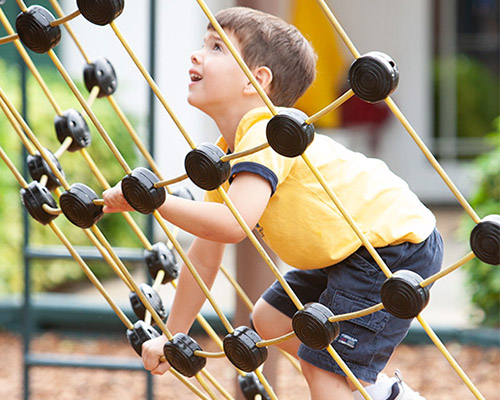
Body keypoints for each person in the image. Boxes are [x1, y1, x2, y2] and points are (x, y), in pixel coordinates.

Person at [103, 7, 443, 400]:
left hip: (391, 248)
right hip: (348, 251)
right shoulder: (223, 155)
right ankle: (378, 392)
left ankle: (362, 385)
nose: (197, 54)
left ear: (257, 80)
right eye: (202, 44)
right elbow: (205, 256)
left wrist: (153, 201)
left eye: (216, 47)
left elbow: (234, 224)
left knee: (322, 363)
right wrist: (172, 335)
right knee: (271, 318)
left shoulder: (267, 130)